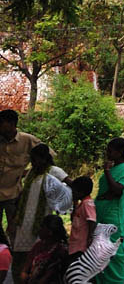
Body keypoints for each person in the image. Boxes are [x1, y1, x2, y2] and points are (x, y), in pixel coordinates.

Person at [8, 146, 69, 281]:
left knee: (37, 259)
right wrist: (13, 219)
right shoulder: (31, 173)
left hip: (40, 224)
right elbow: (23, 194)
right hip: (23, 222)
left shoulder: (54, 172)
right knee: (19, 258)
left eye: (36, 160)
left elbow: (72, 185)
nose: (34, 163)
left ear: (44, 159)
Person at [0, 111, 46, 258]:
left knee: (15, 228)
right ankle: (5, 251)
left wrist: (30, 173)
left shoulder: (27, 140)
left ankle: (14, 256)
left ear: (12, 124)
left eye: (2, 122)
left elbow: (46, 156)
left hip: (13, 193)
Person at [92, 139, 124, 284]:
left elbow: (117, 190)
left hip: (112, 215)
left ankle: (114, 280)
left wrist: (107, 171)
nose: (107, 154)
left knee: (114, 249)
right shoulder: (114, 168)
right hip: (101, 214)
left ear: (120, 152)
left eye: (110, 151)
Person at [22, 215, 67, 284]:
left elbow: (46, 278)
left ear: (50, 232)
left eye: (42, 227)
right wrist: (24, 276)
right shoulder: (38, 246)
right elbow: (26, 268)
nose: (39, 229)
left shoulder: (60, 251)